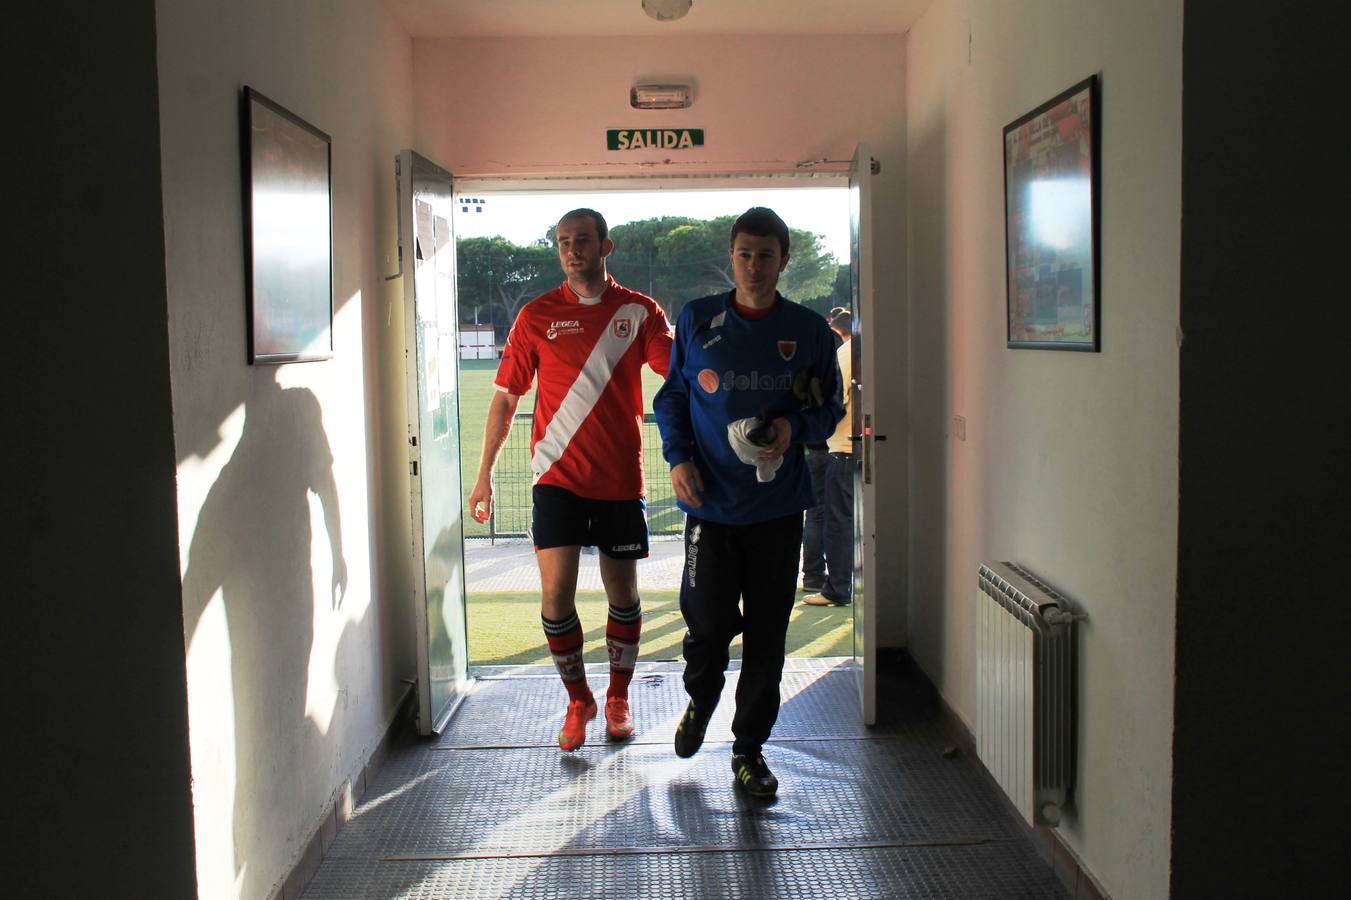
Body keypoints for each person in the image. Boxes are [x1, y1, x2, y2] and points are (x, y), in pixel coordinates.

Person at [653, 207, 845, 798]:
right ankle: (700, 698)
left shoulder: (810, 331)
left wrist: (793, 430)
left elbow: (830, 411)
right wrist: (679, 459)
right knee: (707, 626)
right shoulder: (698, 318)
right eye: (744, 254)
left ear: (785, 260)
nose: (754, 266)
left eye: (766, 255)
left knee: (767, 635)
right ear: (730, 257)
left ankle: (749, 750)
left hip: (778, 510)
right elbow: (673, 399)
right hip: (709, 508)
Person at [467, 208, 673, 752]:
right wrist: (484, 475)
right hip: (556, 477)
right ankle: (578, 698)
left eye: (582, 240)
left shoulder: (640, 311)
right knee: (556, 596)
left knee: (622, 594)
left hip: (620, 480)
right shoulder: (537, 315)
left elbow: (675, 372)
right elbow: (508, 397)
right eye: (563, 242)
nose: (572, 250)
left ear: (606, 245)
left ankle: (618, 697)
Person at [804, 308, 855, 607]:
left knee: (836, 520)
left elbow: (831, 402)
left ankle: (836, 587)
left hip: (843, 449)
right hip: (859, 449)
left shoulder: (847, 354)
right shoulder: (873, 349)